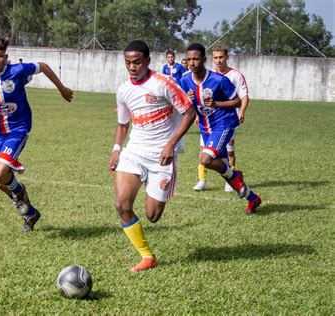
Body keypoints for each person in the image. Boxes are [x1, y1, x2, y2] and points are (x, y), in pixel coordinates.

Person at [0, 34, 73, 233]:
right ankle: (30, 212)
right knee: (0, 182)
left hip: (18, 129)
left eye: (0, 55)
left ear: (6, 57)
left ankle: (19, 194)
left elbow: (43, 66)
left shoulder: (17, 71)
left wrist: (62, 89)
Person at [108, 40, 196, 272]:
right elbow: (122, 124)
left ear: (147, 60)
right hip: (134, 152)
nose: (132, 67)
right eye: (128, 63)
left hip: (162, 156)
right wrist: (117, 149)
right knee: (121, 204)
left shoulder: (163, 84)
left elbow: (189, 112)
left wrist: (171, 144)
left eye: (137, 62)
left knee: (152, 215)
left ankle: (154, 188)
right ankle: (147, 256)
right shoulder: (123, 90)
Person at [179, 43, 261, 215]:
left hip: (223, 124)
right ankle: (253, 198)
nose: (192, 62)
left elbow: (237, 101)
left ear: (203, 59)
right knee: (225, 171)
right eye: (189, 59)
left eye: (196, 59)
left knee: (205, 159)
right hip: (205, 127)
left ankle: (237, 177)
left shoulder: (219, 80)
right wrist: (187, 99)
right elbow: (184, 104)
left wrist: (217, 103)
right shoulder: (185, 80)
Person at [193, 45, 250, 192]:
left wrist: (241, 111)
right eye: (216, 57)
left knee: (228, 151)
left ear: (227, 57)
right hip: (207, 122)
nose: (218, 60)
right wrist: (197, 115)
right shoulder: (206, 75)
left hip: (226, 121)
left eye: (221, 57)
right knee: (204, 152)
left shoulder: (235, 75)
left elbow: (243, 96)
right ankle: (202, 180)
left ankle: (230, 179)